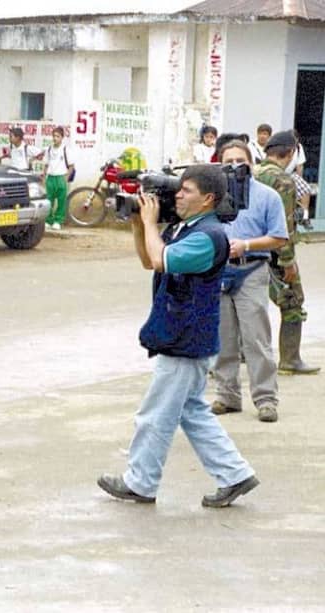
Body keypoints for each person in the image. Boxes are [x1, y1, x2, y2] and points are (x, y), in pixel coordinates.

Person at [97, 165, 259, 508]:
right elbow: (148, 259)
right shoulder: (187, 228)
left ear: (208, 199)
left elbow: (160, 259)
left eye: (186, 190)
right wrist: (139, 226)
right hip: (184, 334)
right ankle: (235, 474)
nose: (177, 196)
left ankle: (140, 482)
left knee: (155, 414)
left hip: (186, 339)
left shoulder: (208, 236)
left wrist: (152, 224)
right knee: (193, 412)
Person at [211, 140, 288, 422]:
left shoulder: (268, 197)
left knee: (256, 339)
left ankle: (266, 399)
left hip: (252, 270)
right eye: (227, 161)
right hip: (218, 272)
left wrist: (247, 244)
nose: (233, 166)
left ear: (251, 163)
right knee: (223, 338)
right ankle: (227, 396)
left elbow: (279, 237)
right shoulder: (212, 197)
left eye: (239, 161)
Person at [255, 131, 319, 375]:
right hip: (274, 254)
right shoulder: (282, 180)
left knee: (244, 303)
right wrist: (288, 261)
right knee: (293, 301)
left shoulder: (251, 173)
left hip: (249, 250)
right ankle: (290, 360)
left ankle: (234, 354)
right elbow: (285, 225)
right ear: (291, 153)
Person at [42, 126, 73, 231]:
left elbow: (71, 166)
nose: (55, 138)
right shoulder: (49, 149)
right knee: (48, 200)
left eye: (57, 136)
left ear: (62, 137)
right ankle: (48, 220)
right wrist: (44, 175)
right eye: (54, 136)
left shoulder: (66, 150)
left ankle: (58, 221)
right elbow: (46, 164)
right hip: (50, 177)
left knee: (61, 201)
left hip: (61, 177)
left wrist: (66, 178)